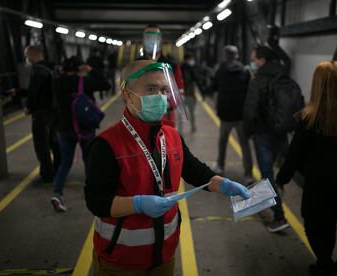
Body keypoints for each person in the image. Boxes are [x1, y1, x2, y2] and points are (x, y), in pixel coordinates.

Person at [85, 60, 250, 275]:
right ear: (127, 94)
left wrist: (223, 184)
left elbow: (195, 170)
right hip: (120, 260)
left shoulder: (171, 136)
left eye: (164, 90)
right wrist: (137, 204)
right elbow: (96, 201)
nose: (160, 97)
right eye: (151, 89)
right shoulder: (108, 144)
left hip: (165, 254)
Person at [275, 61, 337, 276]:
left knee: (315, 225)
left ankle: (324, 263)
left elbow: (294, 155)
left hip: (318, 185)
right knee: (332, 220)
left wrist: (281, 179)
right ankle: (335, 263)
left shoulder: (308, 117)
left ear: (317, 84)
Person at [51, 56, 110, 212]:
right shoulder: (85, 82)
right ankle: (92, 193)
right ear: (80, 68)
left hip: (63, 128)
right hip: (85, 129)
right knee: (89, 160)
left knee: (65, 162)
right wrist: (91, 70)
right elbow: (106, 84)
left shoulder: (57, 82)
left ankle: (57, 193)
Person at [243, 46, 290, 233]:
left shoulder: (259, 80)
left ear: (262, 60)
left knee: (267, 175)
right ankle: (279, 194)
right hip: (282, 131)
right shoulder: (284, 76)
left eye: (254, 60)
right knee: (281, 171)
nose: (253, 63)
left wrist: (248, 132)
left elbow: (249, 110)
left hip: (263, 134)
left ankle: (279, 216)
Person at [212, 45, 254, 185]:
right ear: (237, 56)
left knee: (222, 141)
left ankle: (220, 166)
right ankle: (248, 174)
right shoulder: (245, 71)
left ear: (225, 56)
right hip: (241, 114)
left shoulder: (220, 70)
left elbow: (213, 87)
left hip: (225, 114)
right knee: (244, 145)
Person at [24, 45, 60, 183]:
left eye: (27, 56)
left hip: (41, 112)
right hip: (54, 110)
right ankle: (58, 167)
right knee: (53, 141)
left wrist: (28, 107)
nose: (26, 59)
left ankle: (47, 173)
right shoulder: (53, 67)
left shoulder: (38, 70)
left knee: (41, 143)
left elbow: (34, 92)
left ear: (33, 55)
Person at [142, 24, 185, 127]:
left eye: (155, 36)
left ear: (161, 40)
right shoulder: (136, 65)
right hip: (141, 120)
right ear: (143, 40)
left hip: (166, 120)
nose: (152, 40)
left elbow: (180, 92)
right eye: (148, 37)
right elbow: (128, 93)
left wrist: (166, 105)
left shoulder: (171, 65)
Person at [180, 52, 206, 132]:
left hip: (180, 95)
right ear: (188, 59)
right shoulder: (191, 69)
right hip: (190, 94)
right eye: (191, 59)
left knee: (181, 114)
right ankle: (193, 127)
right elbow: (198, 82)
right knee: (191, 112)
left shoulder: (179, 68)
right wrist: (202, 94)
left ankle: (180, 130)